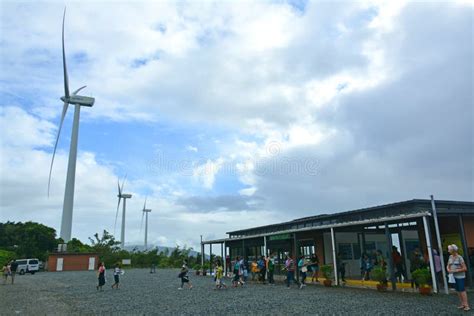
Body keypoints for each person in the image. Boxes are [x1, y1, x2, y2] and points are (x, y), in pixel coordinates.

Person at [447, 244, 470, 312]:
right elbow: (448, 265)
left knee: (462, 290)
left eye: (449, 249)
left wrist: (455, 270)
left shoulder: (460, 257)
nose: (448, 251)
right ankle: (462, 304)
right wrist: (448, 269)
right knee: (457, 290)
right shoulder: (450, 257)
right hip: (453, 277)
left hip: (460, 276)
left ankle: (466, 305)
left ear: (453, 250)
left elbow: (465, 268)